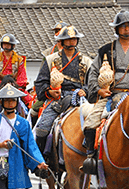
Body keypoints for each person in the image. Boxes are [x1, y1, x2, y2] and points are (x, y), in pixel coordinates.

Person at [82, 10, 129, 174]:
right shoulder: (105, 50)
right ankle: (91, 156)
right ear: (117, 29)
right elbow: (93, 72)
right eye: (122, 26)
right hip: (111, 94)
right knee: (91, 121)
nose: (127, 28)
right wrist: (99, 90)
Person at [34, 25, 92, 163]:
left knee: (96, 126)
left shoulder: (86, 61)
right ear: (62, 41)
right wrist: (49, 91)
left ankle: (92, 158)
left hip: (80, 98)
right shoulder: (51, 59)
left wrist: (87, 90)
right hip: (58, 98)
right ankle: (42, 160)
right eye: (68, 39)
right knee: (42, 129)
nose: (71, 42)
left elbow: (92, 82)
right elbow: (40, 82)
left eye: (73, 39)